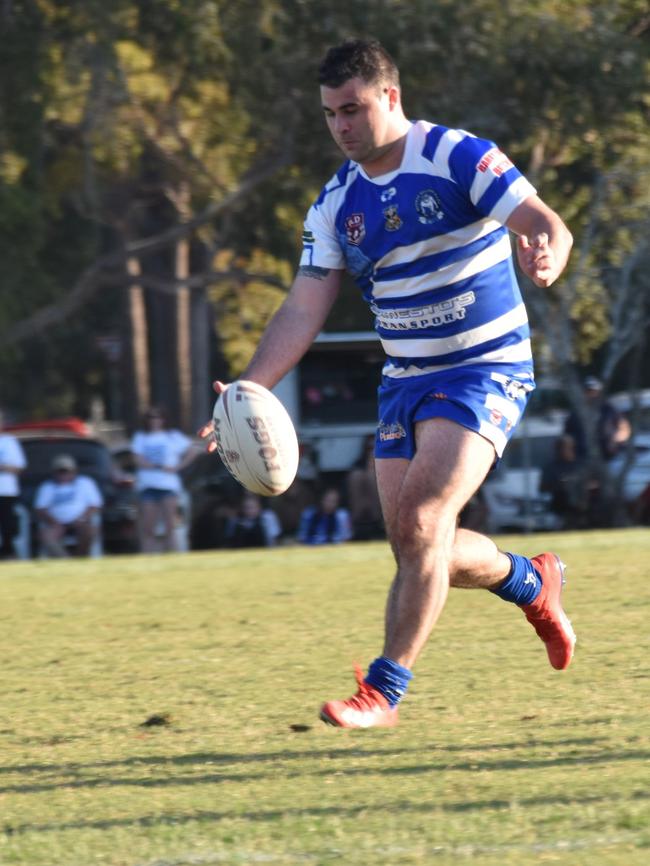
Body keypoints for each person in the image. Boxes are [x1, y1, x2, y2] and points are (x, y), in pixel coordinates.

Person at [200, 38, 575, 728]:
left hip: (485, 366)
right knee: (414, 542)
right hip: (406, 376)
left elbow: (543, 219)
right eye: (330, 114)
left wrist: (547, 249)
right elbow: (304, 303)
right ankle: (531, 581)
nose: (341, 126)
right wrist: (245, 390)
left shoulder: (458, 156)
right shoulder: (336, 204)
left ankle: (383, 692)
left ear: (390, 97)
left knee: (425, 523)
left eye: (353, 109)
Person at [131, 407, 198, 553]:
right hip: (148, 485)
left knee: (170, 526)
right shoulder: (141, 437)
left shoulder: (172, 436)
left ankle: (171, 555)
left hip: (168, 486)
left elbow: (193, 450)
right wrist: (157, 465)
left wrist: (178, 466)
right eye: (151, 417)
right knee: (148, 527)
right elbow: (138, 460)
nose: (154, 421)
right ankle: (148, 557)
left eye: (157, 417)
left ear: (163, 420)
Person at [35, 454, 103, 557]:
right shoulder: (47, 486)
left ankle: (81, 558)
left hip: (80, 521)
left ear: (74, 471)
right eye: (60, 472)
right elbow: (40, 509)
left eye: (66, 471)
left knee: (90, 531)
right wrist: (54, 522)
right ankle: (66, 560)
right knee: (46, 536)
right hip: (55, 523)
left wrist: (82, 519)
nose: (63, 474)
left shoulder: (85, 483)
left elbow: (95, 506)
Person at [564, 376, 630, 462]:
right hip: (582, 458)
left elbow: (624, 428)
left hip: (606, 458)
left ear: (599, 392)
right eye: (587, 391)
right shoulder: (575, 413)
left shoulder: (609, 410)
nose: (591, 394)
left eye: (594, 391)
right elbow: (567, 436)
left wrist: (615, 440)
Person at [346, 435, 385, 540]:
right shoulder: (357, 468)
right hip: (360, 511)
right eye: (369, 448)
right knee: (357, 476)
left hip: (379, 508)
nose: (372, 451)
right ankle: (358, 526)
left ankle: (378, 523)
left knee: (371, 477)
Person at [0, 410, 27, 560]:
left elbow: (19, 467)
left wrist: (3, 468)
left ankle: (8, 552)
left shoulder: (9, 442)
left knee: (7, 524)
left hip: (6, 491)